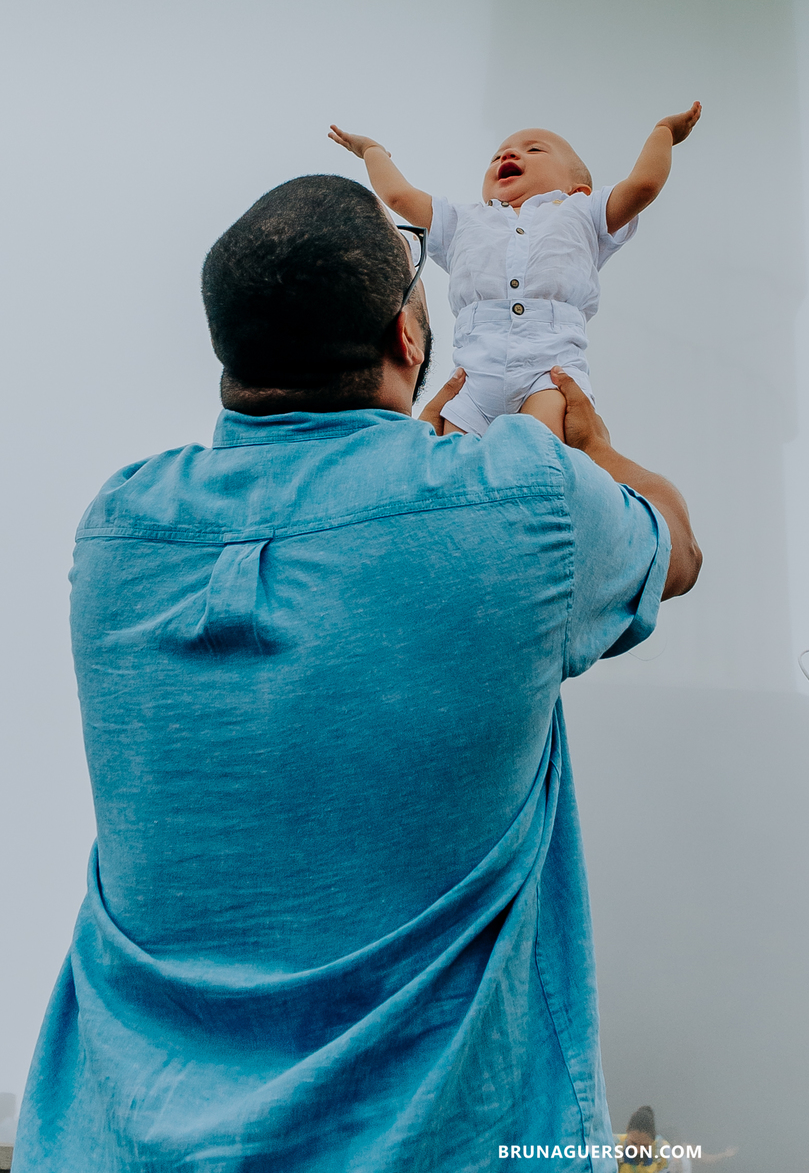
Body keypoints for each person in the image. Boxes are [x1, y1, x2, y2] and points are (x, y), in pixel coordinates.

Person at [14, 174, 700, 1171]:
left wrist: (418, 491)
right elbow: (675, 551)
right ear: (409, 340)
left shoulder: (119, 529)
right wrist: (587, 449)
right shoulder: (525, 501)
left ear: (232, 354)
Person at [328, 103, 702, 439]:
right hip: (472, 382)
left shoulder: (582, 213)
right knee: (458, 478)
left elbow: (644, 185)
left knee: (537, 457)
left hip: (548, 374)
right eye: (497, 156)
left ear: (579, 189)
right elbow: (398, 197)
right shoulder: (463, 220)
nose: (509, 153)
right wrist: (373, 151)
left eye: (534, 149)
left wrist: (664, 132)